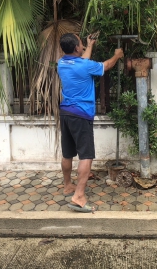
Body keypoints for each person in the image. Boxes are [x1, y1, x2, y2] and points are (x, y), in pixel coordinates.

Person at [57, 33, 124, 212]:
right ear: (77, 48)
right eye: (81, 45)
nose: (82, 47)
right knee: (86, 155)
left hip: (65, 113)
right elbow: (106, 65)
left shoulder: (62, 63)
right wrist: (118, 55)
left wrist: (89, 45)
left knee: (68, 153)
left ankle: (67, 185)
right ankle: (78, 196)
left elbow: (82, 60)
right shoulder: (86, 66)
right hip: (81, 115)